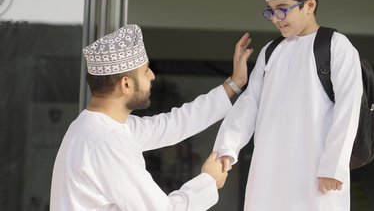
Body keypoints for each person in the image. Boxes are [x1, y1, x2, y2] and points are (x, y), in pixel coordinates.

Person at [50, 24, 253, 210]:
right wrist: (208, 180)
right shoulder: (106, 142)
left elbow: (174, 124)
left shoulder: (94, 127)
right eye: (145, 70)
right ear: (126, 84)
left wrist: (234, 84)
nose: (152, 76)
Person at [213, 0, 363, 211]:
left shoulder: (337, 46)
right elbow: (250, 103)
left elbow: (349, 108)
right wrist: (226, 148)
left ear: (310, 5)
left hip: (317, 175)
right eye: (270, 11)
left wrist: (333, 166)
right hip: (268, 173)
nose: (275, 19)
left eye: (282, 10)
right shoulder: (271, 52)